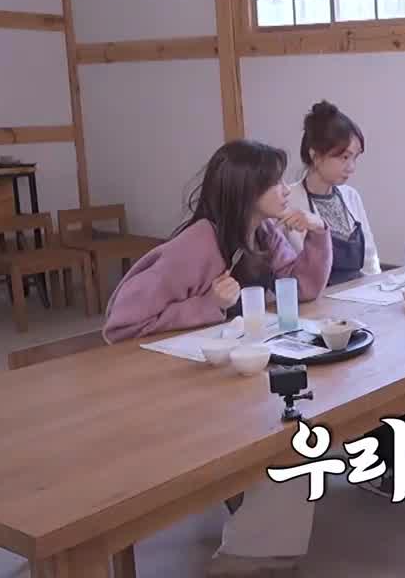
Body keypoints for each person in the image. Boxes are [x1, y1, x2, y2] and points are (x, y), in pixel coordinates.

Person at [103, 139, 332, 577]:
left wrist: (317, 235)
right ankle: (247, 559)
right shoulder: (197, 243)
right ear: (247, 189)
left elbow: (302, 289)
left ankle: (257, 550)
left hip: (231, 374)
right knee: (288, 435)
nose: (286, 189)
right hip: (177, 385)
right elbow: (122, 324)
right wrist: (209, 304)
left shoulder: (264, 233)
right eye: (275, 182)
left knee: (298, 426)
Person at [288, 100, 405, 498]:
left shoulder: (350, 197)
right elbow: (297, 271)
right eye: (343, 157)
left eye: (355, 157)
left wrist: (381, 297)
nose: (351, 166)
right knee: (370, 371)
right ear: (315, 155)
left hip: (361, 298)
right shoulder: (291, 203)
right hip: (318, 308)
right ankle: (378, 464)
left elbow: (369, 257)